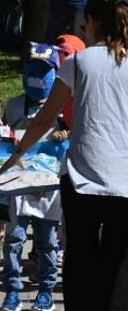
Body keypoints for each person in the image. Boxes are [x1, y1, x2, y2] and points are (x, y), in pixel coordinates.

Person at [0, 0, 128, 311]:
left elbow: (47, 115)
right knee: (117, 272)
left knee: (80, 267)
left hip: (81, 180)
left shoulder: (78, 61)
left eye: (84, 23)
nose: (82, 29)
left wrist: (17, 154)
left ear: (94, 22)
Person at [1, 43, 64, 311]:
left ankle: (45, 291)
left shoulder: (62, 108)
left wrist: (65, 135)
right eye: (32, 68)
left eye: (44, 69)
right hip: (17, 185)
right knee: (13, 239)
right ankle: (13, 291)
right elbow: (5, 139)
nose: (36, 75)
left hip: (48, 189)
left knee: (46, 242)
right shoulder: (14, 106)